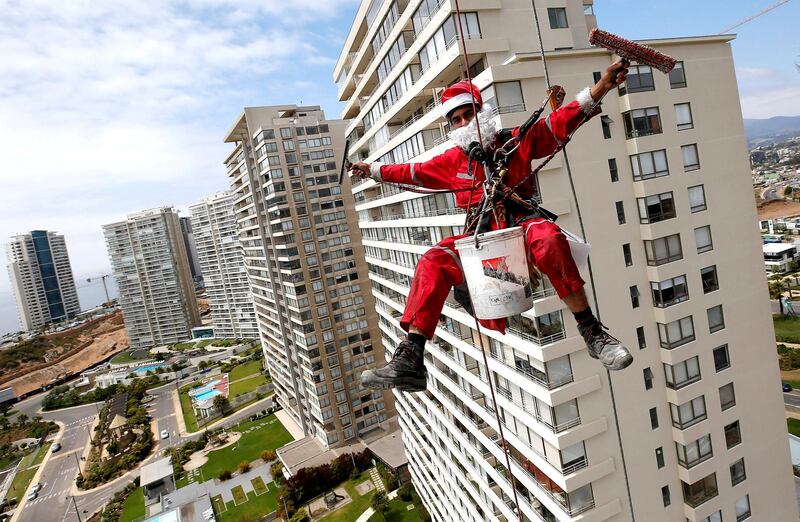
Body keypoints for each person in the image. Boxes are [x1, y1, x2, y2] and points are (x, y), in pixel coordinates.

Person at [354, 60, 633, 392]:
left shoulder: (515, 142)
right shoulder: (453, 161)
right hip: (481, 239)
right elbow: (410, 172)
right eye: (456, 119)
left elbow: (560, 122)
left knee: (547, 236)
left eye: (467, 114)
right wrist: (370, 170)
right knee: (433, 259)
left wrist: (601, 86)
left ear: (481, 112)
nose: (463, 122)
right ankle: (411, 357)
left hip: (520, 227)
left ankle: (592, 331)